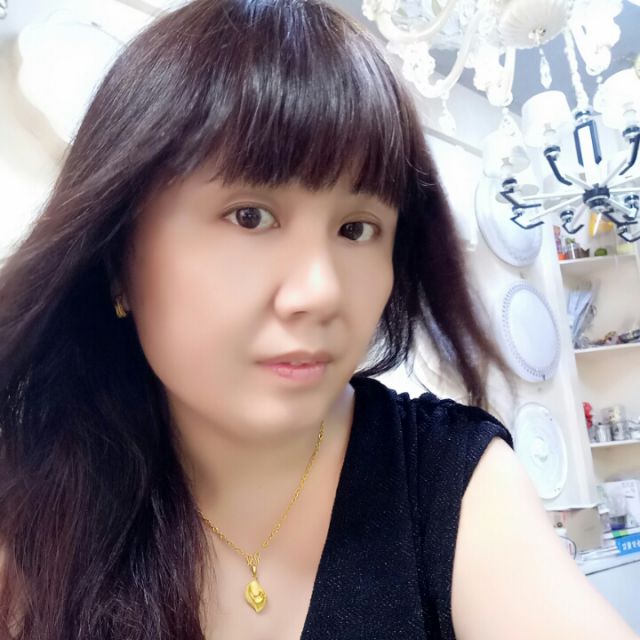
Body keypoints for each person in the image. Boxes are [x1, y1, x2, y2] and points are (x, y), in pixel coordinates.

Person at [0, 0, 637, 638]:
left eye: (357, 229)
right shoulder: (31, 499)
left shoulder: (452, 481)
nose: (321, 292)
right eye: (250, 216)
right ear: (118, 259)